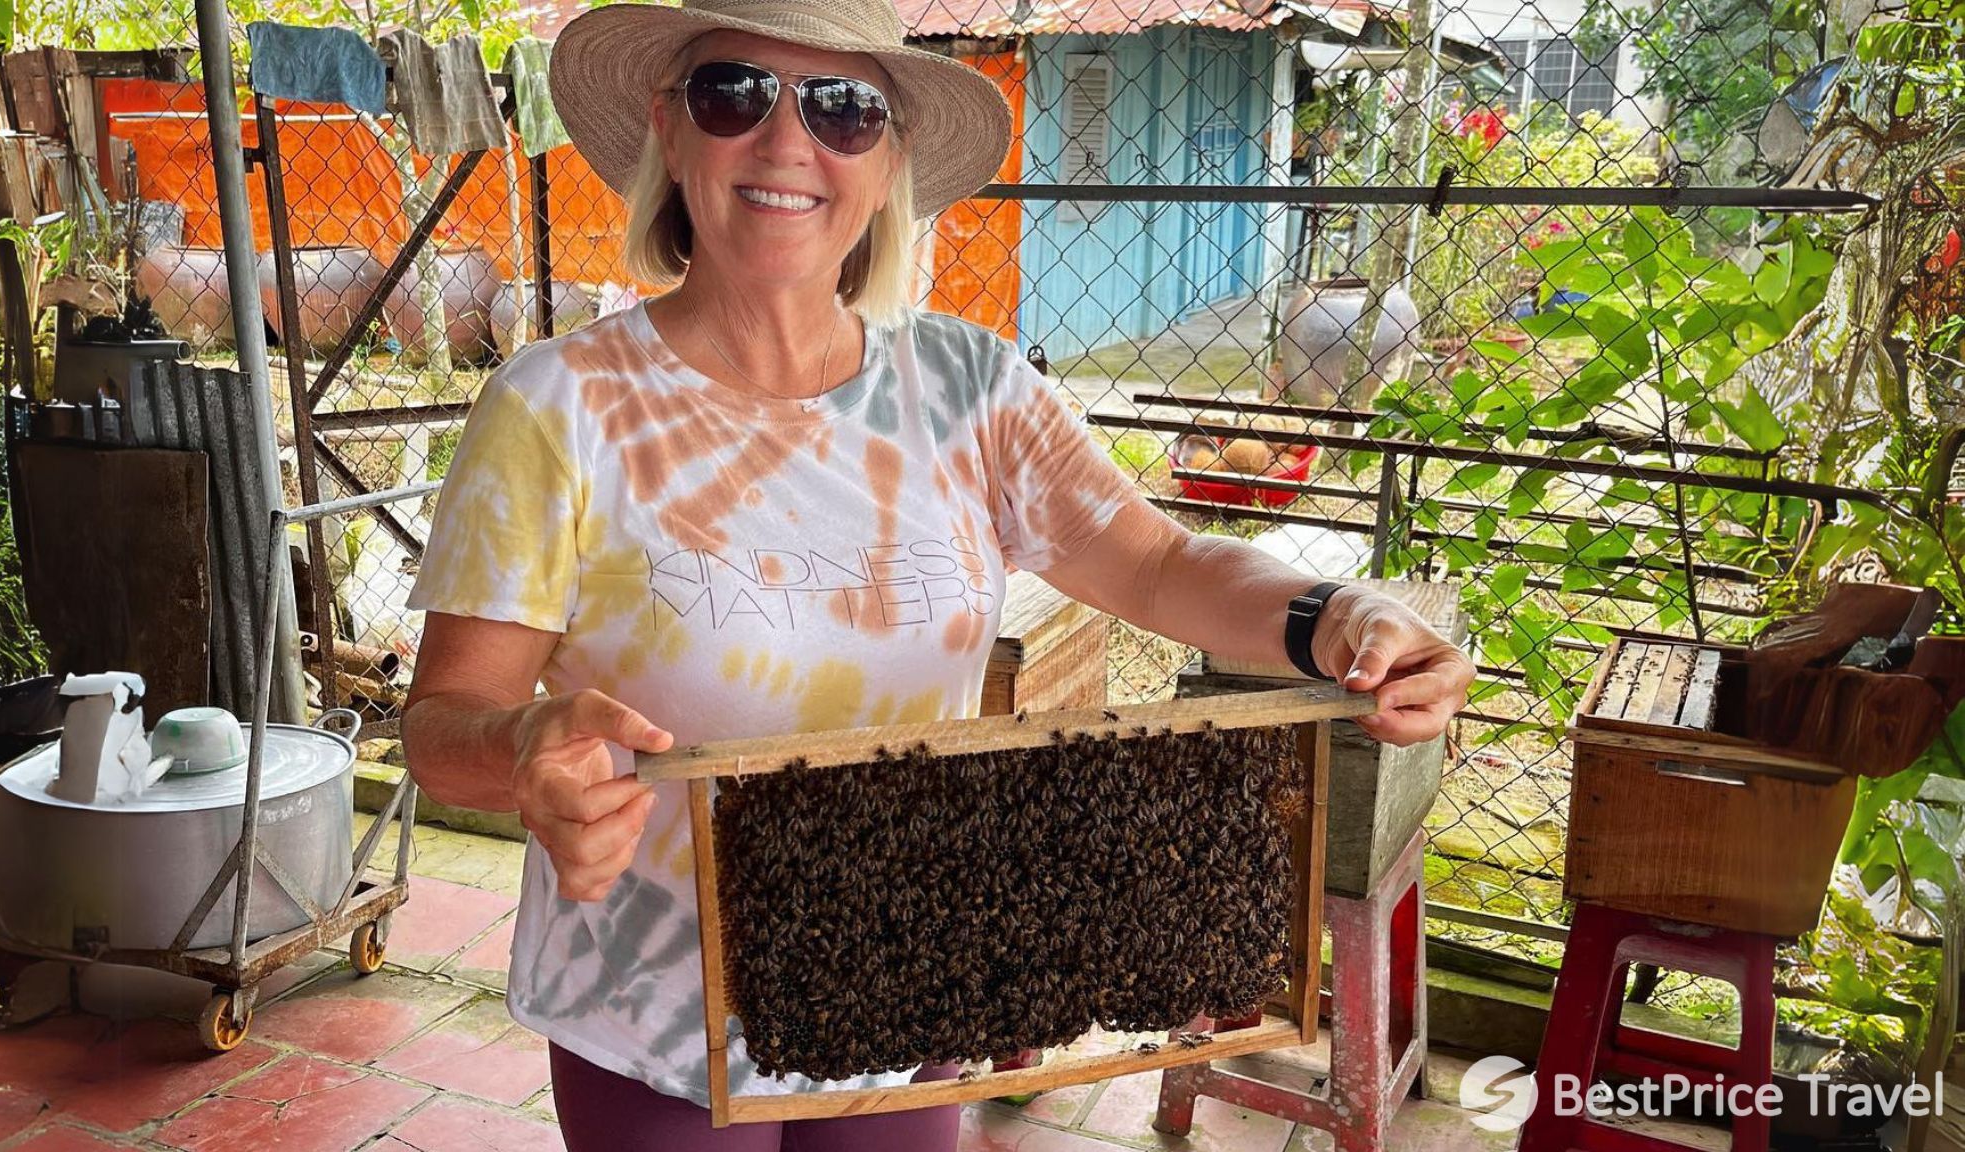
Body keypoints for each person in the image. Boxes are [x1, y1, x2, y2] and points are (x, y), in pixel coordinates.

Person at [400, 0, 1476, 1147]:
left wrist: (1335, 615)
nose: (785, 142)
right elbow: (442, 723)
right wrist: (522, 748)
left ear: (888, 162)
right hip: (648, 1011)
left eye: (842, 109)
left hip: (911, 985)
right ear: (670, 128)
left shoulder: (970, 387)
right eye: (734, 94)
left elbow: (1159, 563)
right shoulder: (555, 406)